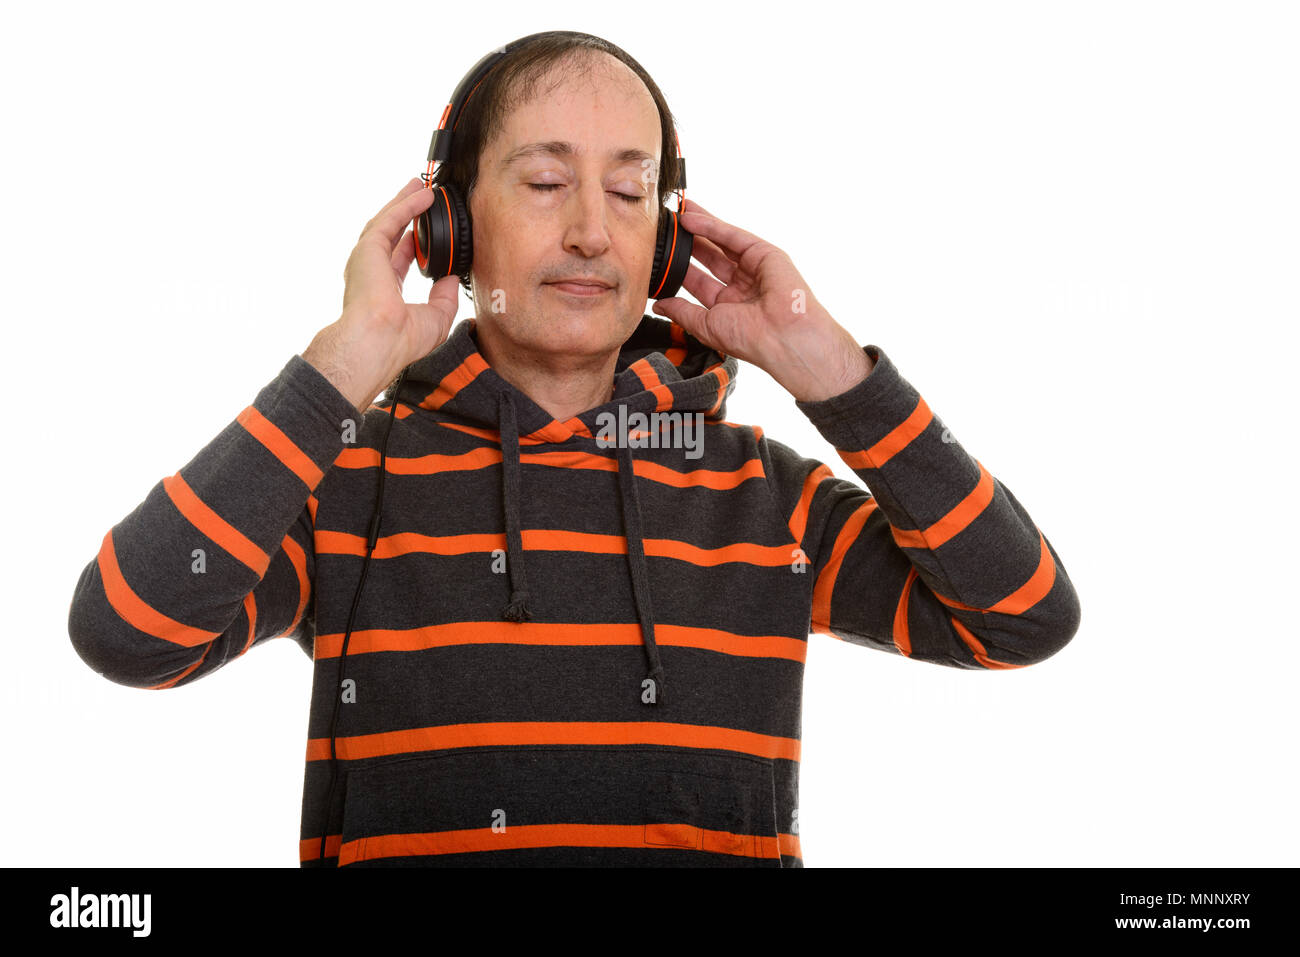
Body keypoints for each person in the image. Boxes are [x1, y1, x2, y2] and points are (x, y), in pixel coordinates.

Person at [67, 32, 1081, 867]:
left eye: (632, 196)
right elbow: (127, 630)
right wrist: (339, 371)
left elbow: (1021, 616)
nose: (594, 232)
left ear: (666, 245)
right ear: (448, 229)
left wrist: (833, 376)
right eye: (547, 182)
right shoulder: (349, 490)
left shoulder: (769, 501)